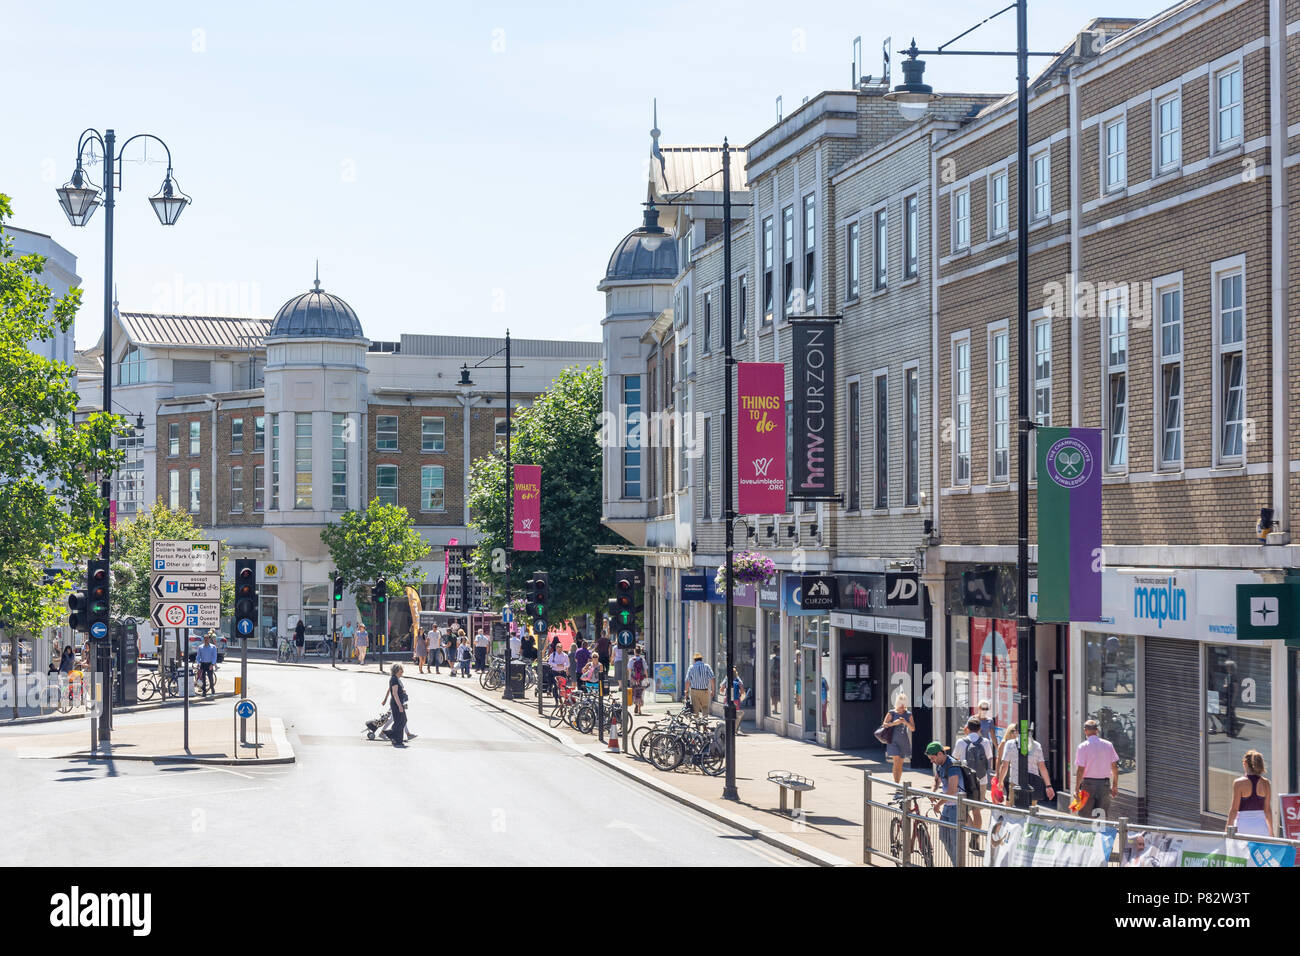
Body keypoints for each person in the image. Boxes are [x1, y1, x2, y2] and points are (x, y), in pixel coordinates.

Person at [953, 715, 994, 849]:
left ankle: (972, 830)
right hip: (981, 781)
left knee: (963, 810)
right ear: (980, 728)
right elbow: (989, 760)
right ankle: (975, 836)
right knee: (977, 810)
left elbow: (954, 760)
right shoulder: (986, 742)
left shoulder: (961, 742)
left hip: (965, 781)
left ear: (967, 729)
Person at [996, 724, 1055, 807]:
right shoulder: (1036, 745)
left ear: (1017, 732)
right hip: (1033, 783)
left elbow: (1005, 765)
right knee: (1031, 812)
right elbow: (1042, 767)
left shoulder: (1010, 744)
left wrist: (1000, 781)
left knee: (1014, 813)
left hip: (1015, 782)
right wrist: (1048, 785)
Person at [926, 741, 965, 866]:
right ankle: (955, 863)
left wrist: (938, 804)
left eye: (932, 758)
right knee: (943, 836)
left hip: (956, 807)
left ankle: (957, 864)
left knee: (955, 840)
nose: (931, 761)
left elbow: (952, 790)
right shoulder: (940, 764)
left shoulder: (953, 766)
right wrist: (933, 792)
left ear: (939, 754)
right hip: (948, 806)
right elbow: (936, 781)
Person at [1073, 717, 1120, 819]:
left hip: (1088, 785)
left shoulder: (1082, 746)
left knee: (1086, 815)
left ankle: (1089, 834)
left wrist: (1076, 789)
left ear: (1085, 731)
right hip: (1104, 785)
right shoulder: (1108, 745)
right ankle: (1100, 834)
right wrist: (1115, 785)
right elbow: (1114, 767)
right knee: (1101, 816)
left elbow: (1080, 770)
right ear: (1097, 731)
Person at [1226, 750, 1272, 836]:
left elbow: (1234, 810)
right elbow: (1268, 810)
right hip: (1261, 827)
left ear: (1245, 763)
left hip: (1243, 826)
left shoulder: (1238, 783)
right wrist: (1271, 832)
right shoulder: (1266, 783)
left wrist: (1227, 830)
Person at [883, 693, 916, 783]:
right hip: (892, 740)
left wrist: (905, 722)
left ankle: (898, 782)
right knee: (896, 761)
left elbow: (913, 728)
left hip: (903, 741)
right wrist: (894, 723)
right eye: (900, 705)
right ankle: (896, 783)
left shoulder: (908, 714)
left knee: (900, 764)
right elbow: (884, 725)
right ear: (897, 704)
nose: (902, 707)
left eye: (904, 705)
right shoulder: (891, 713)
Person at [381, 664, 411, 746]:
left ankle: (398, 739)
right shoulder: (394, 679)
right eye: (401, 670)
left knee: (401, 720)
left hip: (397, 703)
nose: (402, 672)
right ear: (397, 671)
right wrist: (400, 706)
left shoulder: (395, 679)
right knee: (401, 720)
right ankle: (391, 734)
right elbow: (394, 693)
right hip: (396, 704)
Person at [195, 633, 219, 697]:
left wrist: (212, 664)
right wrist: (198, 663)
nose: (206, 640)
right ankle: (204, 691)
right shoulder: (200, 647)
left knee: (210, 677)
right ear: (203, 640)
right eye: (205, 639)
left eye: (207, 639)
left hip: (209, 664)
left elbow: (214, 656)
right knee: (203, 678)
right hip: (203, 664)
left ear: (209, 640)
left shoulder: (213, 647)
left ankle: (212, 688)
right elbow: (198, 656)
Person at [628, 645, 649, 716]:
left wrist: (630, 678)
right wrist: (647, 678)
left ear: (634, 652)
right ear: (640, 652)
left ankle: (636, 704)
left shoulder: (631, 660)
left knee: (634, 692)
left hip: (633, 679)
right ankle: (639, 709)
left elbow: (629, 669)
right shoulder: (642, 660)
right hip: (641, 679)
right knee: (640, 693)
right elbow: (645, 670)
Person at [730, 667, 747, 734]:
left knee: (729, 714)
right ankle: (735, 729)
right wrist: (742, 695)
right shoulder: (738, 681)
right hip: (736, 700)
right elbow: (742, 690)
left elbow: (721, 688)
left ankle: (730, 728)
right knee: (736, 715)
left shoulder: (727, 680)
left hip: (727, 700)